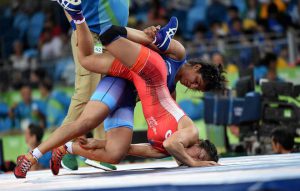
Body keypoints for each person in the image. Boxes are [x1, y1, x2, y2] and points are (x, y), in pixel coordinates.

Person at [14, 1, 225, 178]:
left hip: (126, 88)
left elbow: (164, 123)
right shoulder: (179, 56)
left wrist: (102, 143)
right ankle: (33, 155)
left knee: (115, 151)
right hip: (138, 64)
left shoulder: (172, 95)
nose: (193, 86)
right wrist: (149, 35)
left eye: (198, 89)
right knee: (85, 117)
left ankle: (77, 16)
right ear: (196, 67)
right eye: (197, 81)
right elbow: (172, 138)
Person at [59, 0, 130, 171]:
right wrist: (77, 26)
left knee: (105, 96)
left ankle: (100, 151)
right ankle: (63, 147)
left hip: (114, 39)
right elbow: (65, 3)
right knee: (86, 93)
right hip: (91, 36)